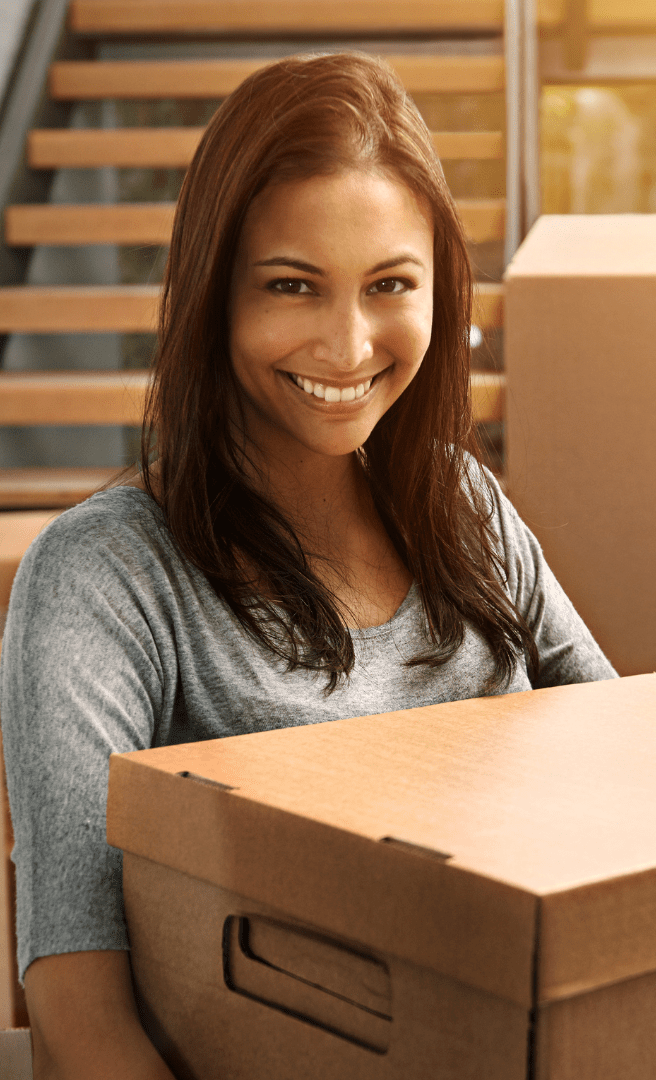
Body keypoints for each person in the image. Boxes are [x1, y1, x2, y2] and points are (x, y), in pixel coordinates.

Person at [0, 53, 615, 1079]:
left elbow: (641, 775)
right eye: (292, 286)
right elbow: (79, 1022)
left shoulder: (464, 505)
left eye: (389, 286)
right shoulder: (102, 580)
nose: (347, 344)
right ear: (213, 293)